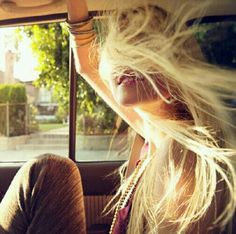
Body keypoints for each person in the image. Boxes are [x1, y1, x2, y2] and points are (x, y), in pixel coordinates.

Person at [0, 0, 235, 234]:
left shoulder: (180, 154)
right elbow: (87, 64)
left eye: (144, 45)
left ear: (177, 61)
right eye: (119, 47)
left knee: (50, 171)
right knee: (46, 170)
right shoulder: (152, 128)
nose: (125, 59)